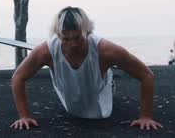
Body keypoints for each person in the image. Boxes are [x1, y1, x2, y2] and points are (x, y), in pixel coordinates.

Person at [10, 7, 162, 131]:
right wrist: (24, 116)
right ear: (58, 35)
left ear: (88, 32)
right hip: (69, 89)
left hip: (98, 86)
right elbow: (18, 77)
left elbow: (146, 75)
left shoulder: (106, 50)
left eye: (78, 38)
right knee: (76, 107)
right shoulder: (46, 51)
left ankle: (107, 81)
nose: (73, 44)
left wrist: (145, 116)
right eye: (66, 39)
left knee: (100, 110)